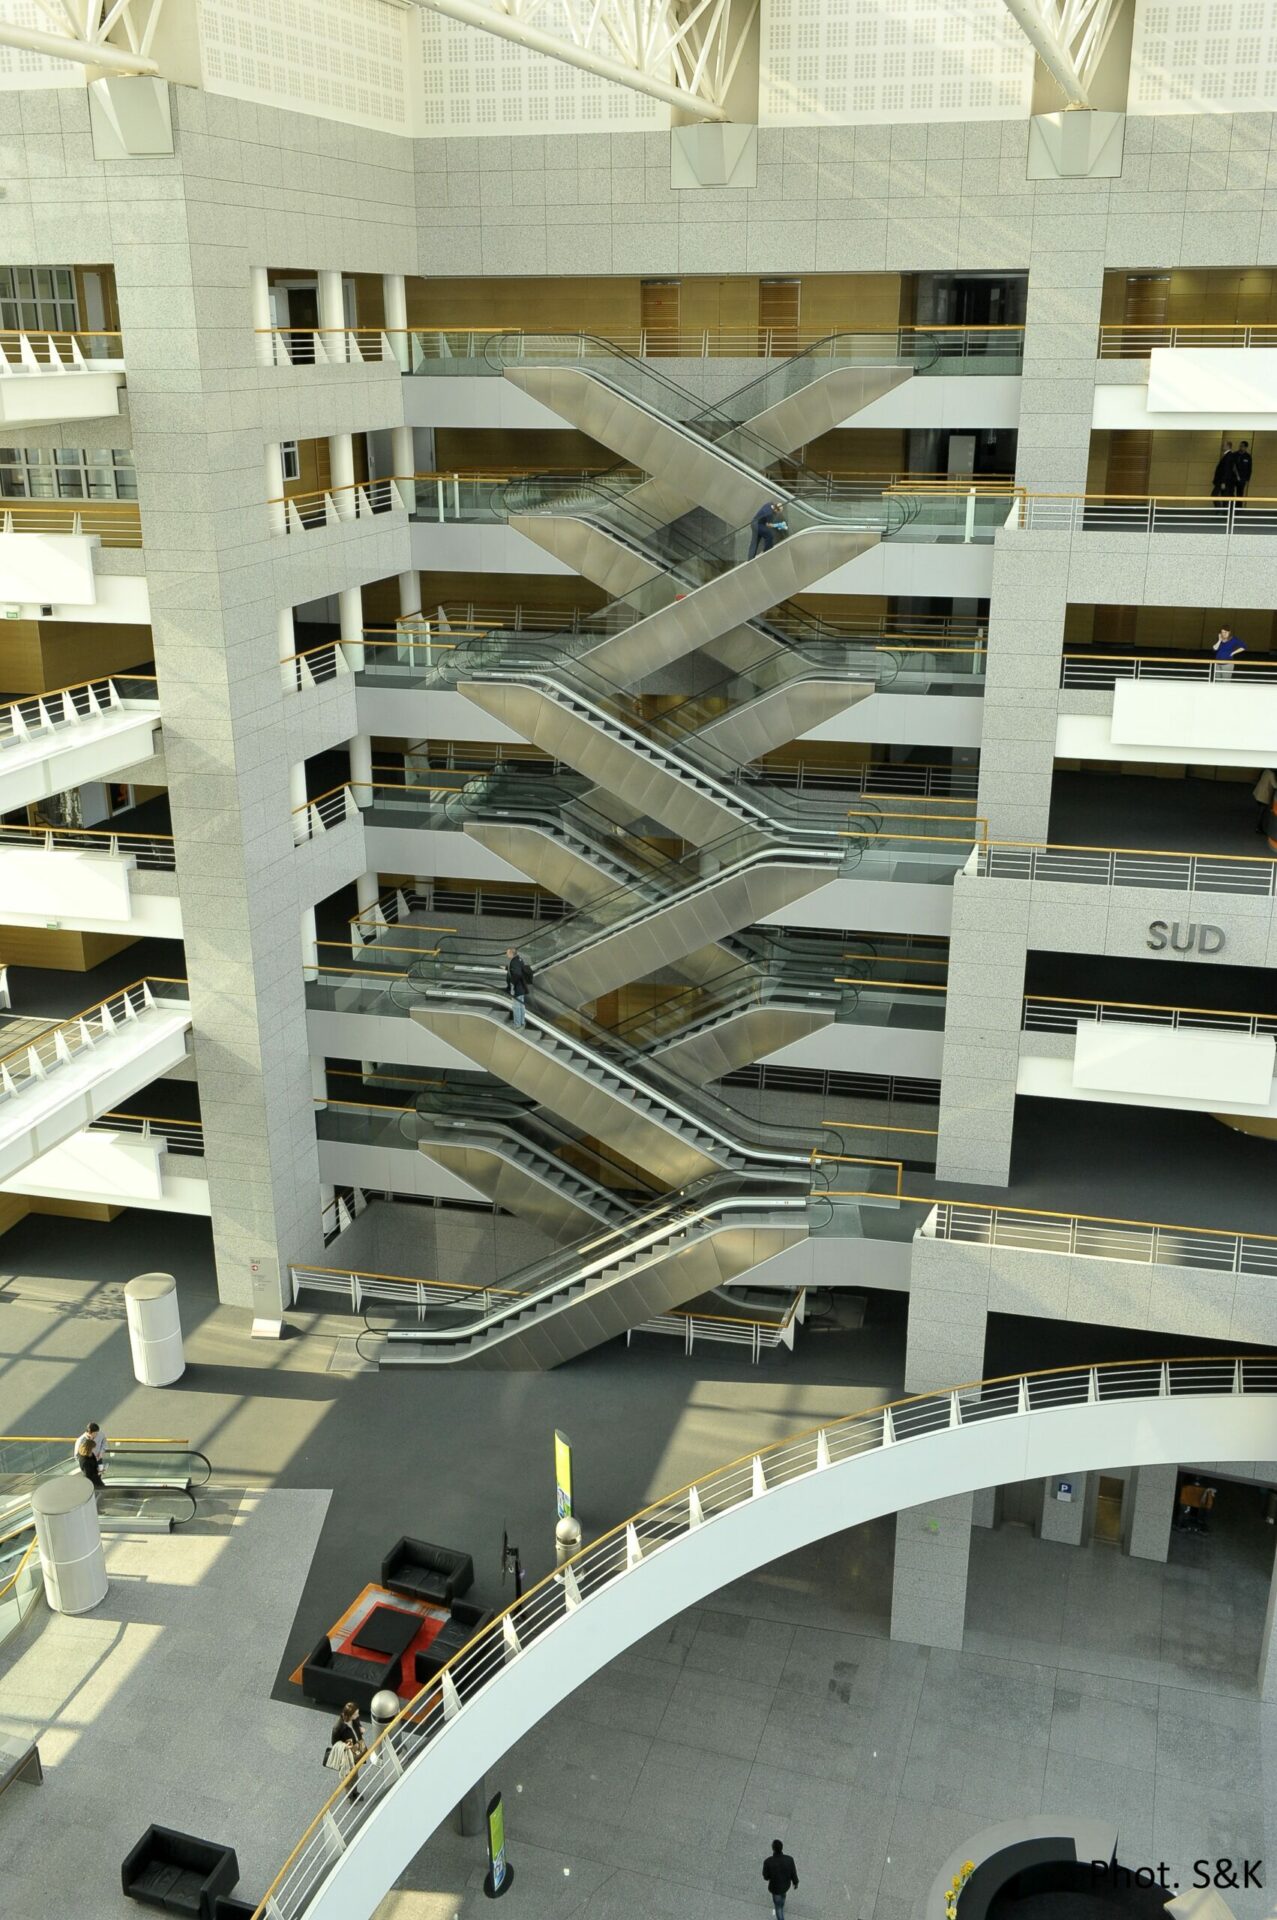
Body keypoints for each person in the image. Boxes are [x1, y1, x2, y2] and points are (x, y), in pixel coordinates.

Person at [329, 1702, 365, 1803]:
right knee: (349, 1777)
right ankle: (350, 1796)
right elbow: (334, 1743)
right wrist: (345, 1746)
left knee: (355, 1774)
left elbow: (357, 1722)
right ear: (349, 1715)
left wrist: (360, 1727)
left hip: (356, 1749)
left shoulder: (354, 1719)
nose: (358, 1716)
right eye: (356, 1714)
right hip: (347, 1755)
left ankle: (355, 1792)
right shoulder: (338, 1727)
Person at [763, 1839, 799, 1919]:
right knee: (783, 1896)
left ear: (773, 1848)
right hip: (786, 1885)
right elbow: (793, 1873)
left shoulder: (768, 1862)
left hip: (775, 1888)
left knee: (778, 1907)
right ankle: (782, 1904)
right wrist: (795, 1882)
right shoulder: (789, 1859)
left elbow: (765, 1876)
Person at [505, 946, 533, 1029]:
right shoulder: (519, 959)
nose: (506, 954)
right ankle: (522, 1022)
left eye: (507, 953)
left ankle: (517, 1024)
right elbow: (519, 969)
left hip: (517, 987)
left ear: (511, 953)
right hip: (522, 986)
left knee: (516, 1006)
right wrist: (507, 968)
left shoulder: (514, 962)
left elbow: (517, 974)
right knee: (521, 1005)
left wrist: (512, 983)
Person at [1211, 440, 1236, 507]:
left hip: (1222, 481)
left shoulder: (1228, 456)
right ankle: (1223, 511)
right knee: (1224, 496)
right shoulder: (1228, 455)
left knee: (1215, 495)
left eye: (1224, 445)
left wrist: (1223, 482)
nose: (1222, 446)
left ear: (1228, 446)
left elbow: (1226, 469)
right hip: (1223, 480)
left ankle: (1220, 511)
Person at [1253, 768, 1277, 835]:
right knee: (1262, 813)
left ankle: (1259, 827)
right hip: (1263, 796)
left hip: (1258, 793)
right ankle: (1258, 827)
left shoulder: (1266, 771)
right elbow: (1275, 785)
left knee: (1261, 811)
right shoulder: (1272, 774)